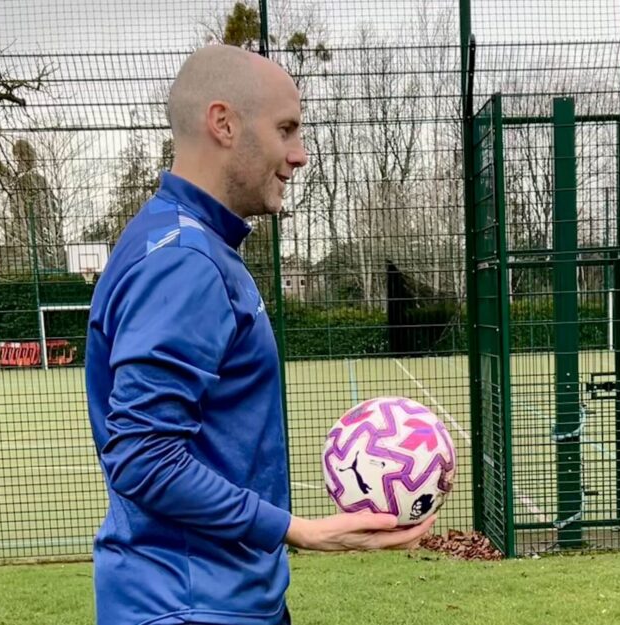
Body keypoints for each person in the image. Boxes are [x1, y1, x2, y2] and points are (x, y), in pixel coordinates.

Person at [85, 44, 435, 625]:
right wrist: (297, 529)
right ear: (224, 123)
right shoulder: (185, 262)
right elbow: (143, 455)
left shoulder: (184, 242)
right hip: (188, 606)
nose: (299, 155)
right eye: (286, 129)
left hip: (222, 598)